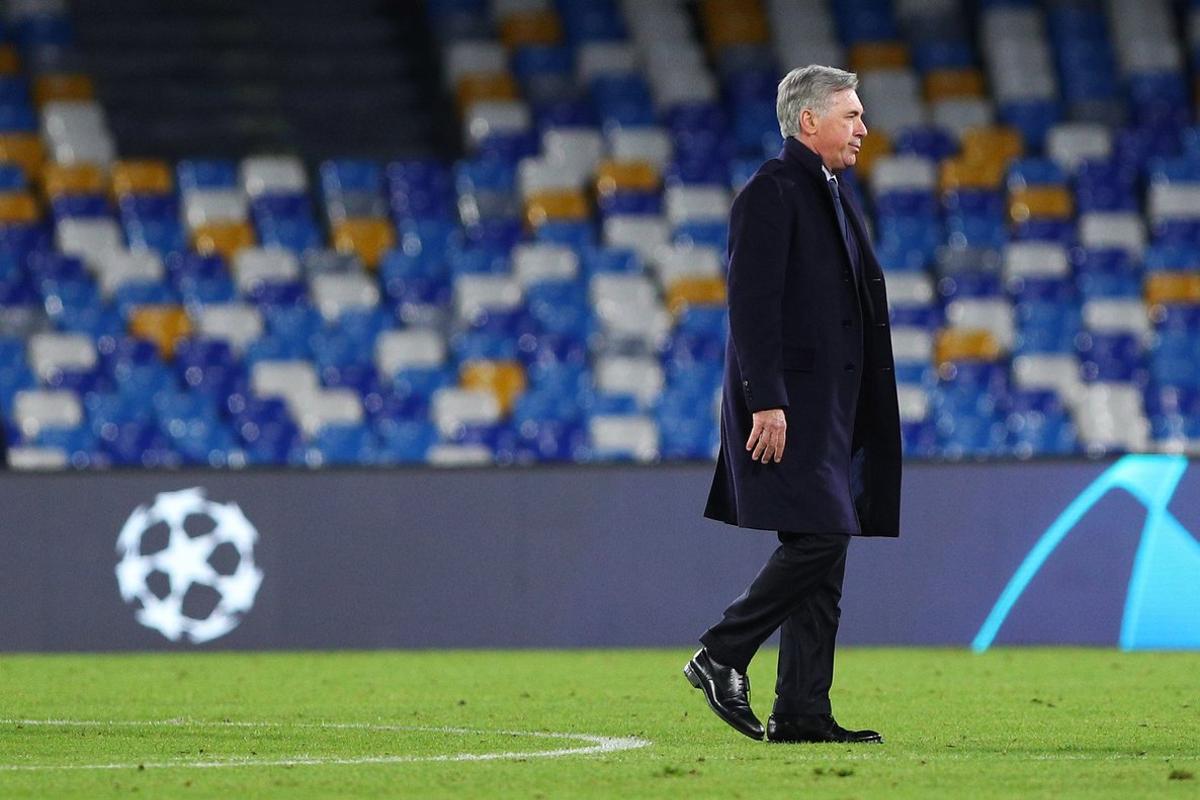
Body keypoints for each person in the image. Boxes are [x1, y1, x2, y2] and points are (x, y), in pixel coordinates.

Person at [682, 65, 902, 744]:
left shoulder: (830, 192)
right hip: (789, 408)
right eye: (852, 115)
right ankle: (721, 653)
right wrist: (766, 402)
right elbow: (751, 308)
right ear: (809, 121)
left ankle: (803, 711)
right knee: (823, 537)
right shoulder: (772, 192)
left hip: (830, 409)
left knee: (825, 556)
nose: (864, 128)